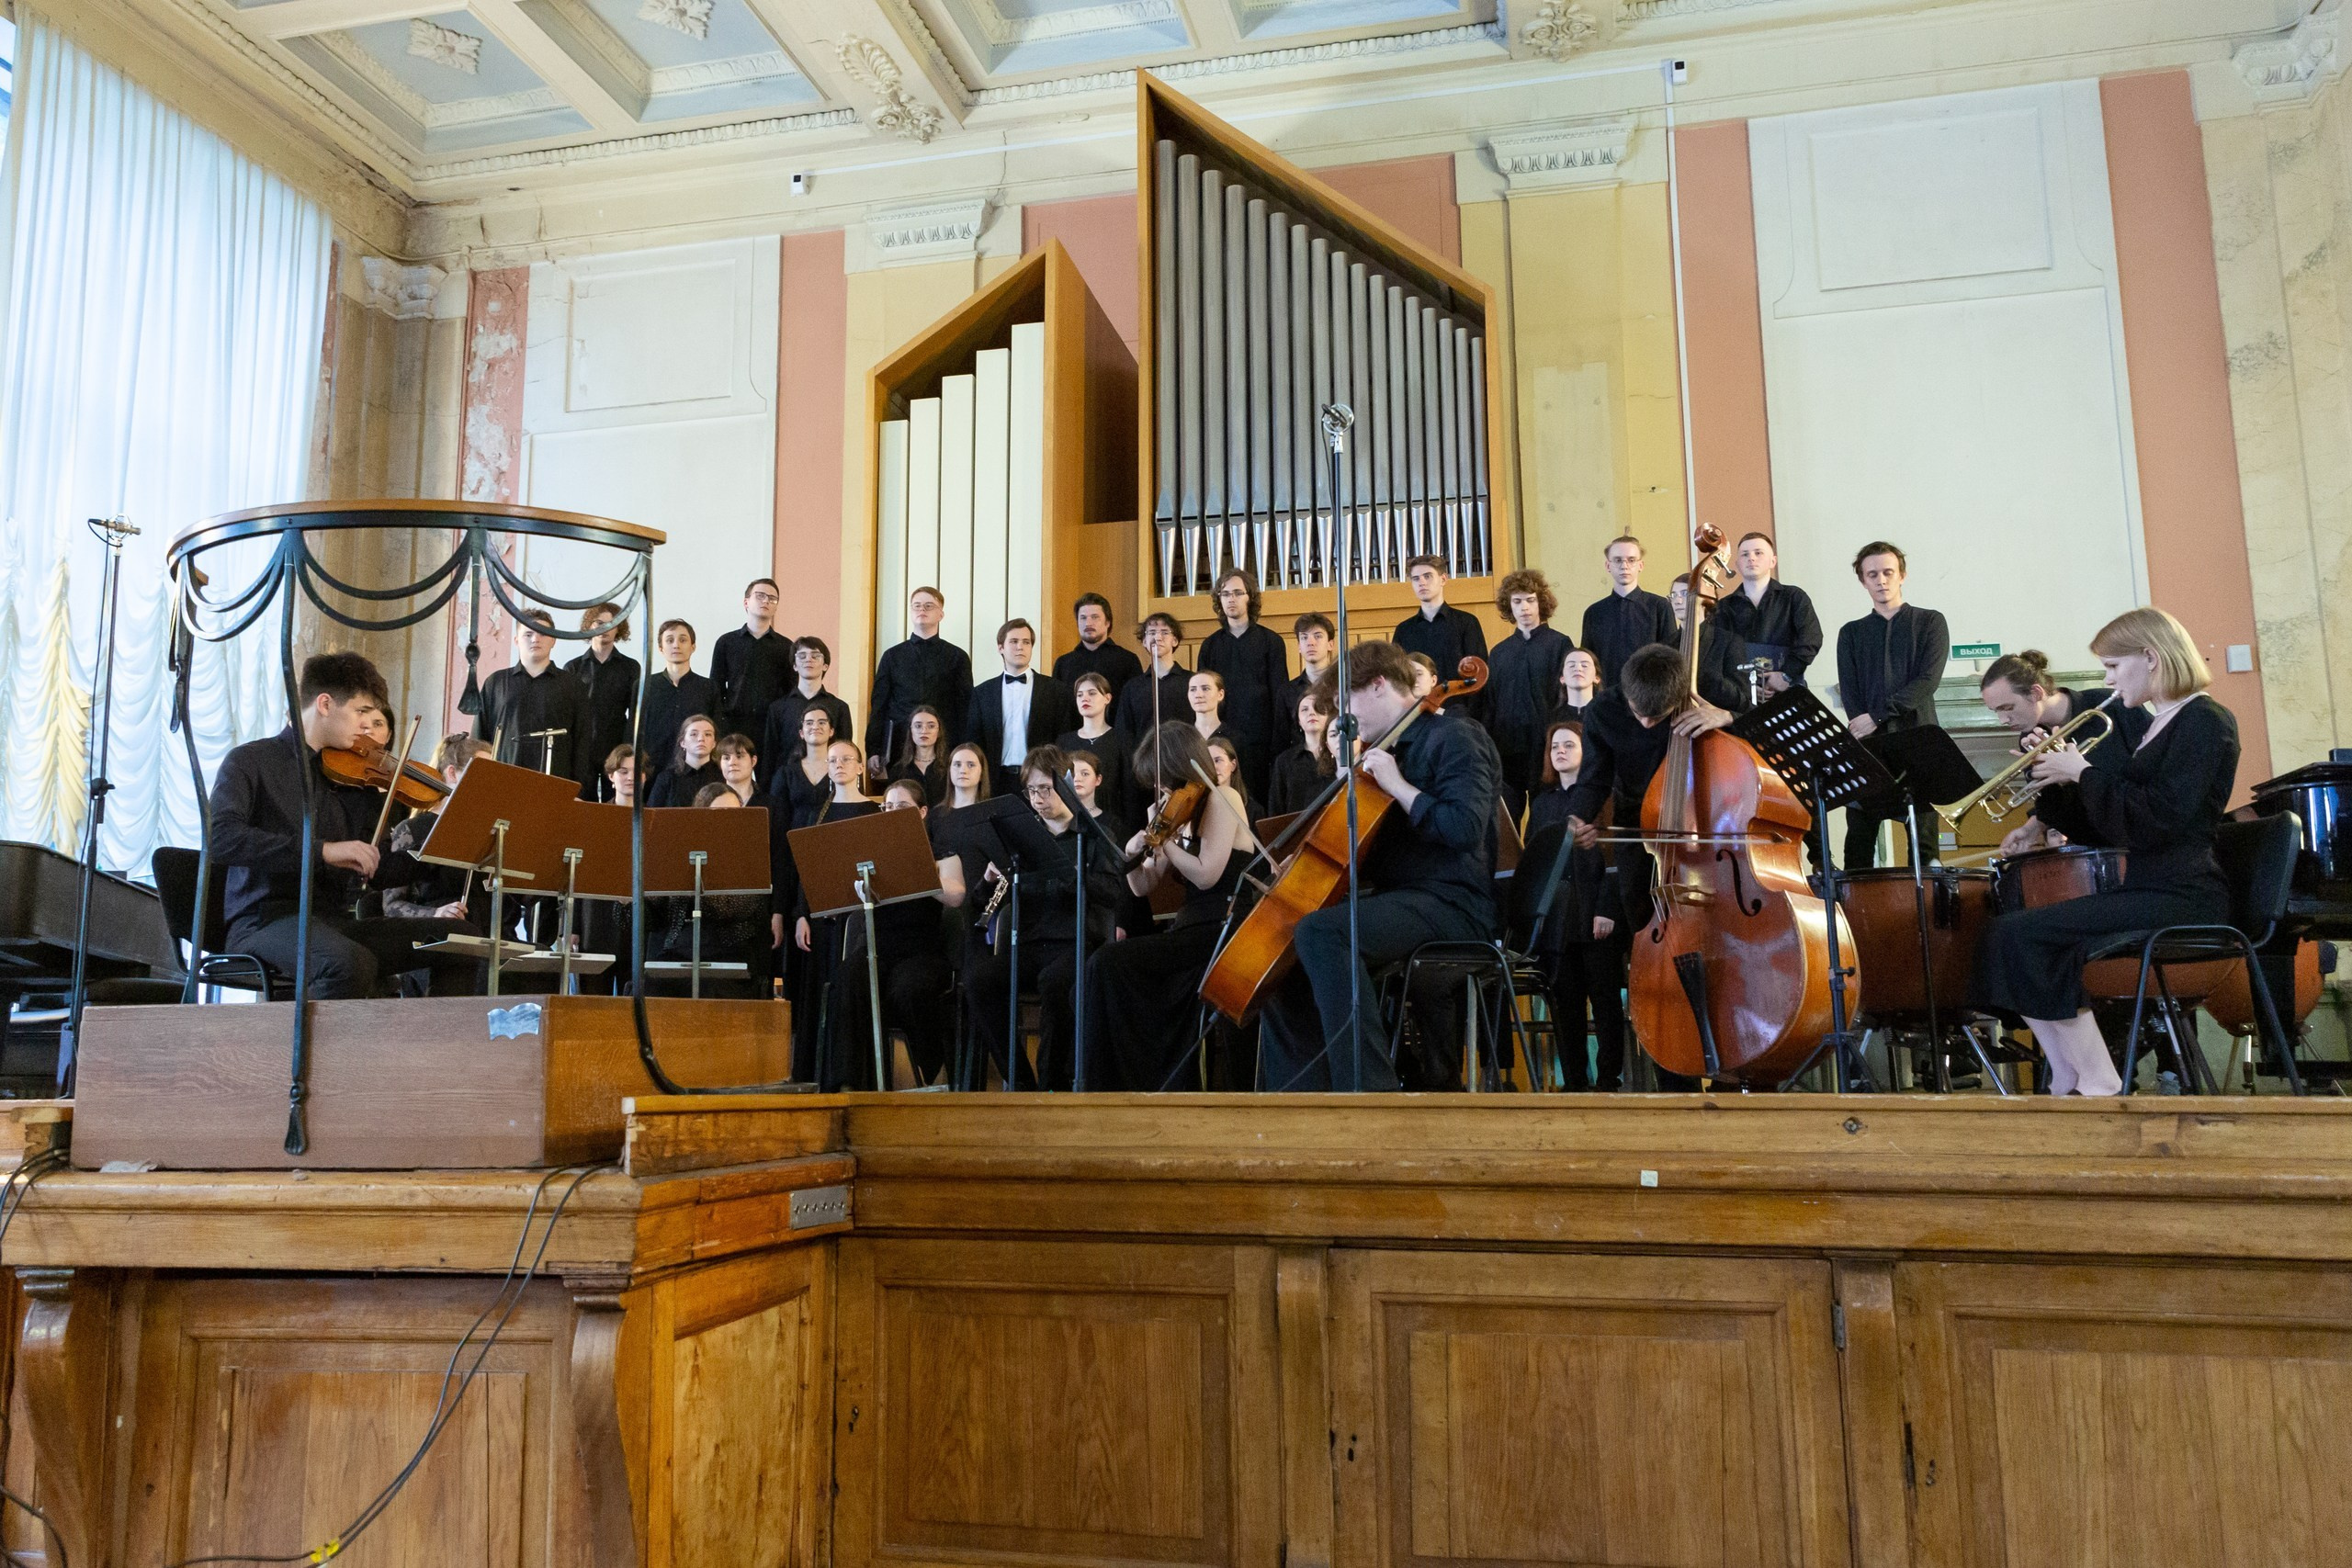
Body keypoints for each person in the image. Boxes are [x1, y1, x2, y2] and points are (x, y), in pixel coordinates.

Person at [1972, 609, 2238, 1096]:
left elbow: (2162, 819)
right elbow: (2112, 826)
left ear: (2151, 658)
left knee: (2026, 937)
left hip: (2183, 893)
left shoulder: (2205, 720)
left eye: (2113, 667)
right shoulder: (2162, 724)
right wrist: (2056, 784)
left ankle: (2099, 1078)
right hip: (2148, 883)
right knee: (2007, 933)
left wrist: (2085, 773)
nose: (2108, 680)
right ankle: (2068, 1072)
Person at [1253, 642, 1503, 1092]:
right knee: (1286, 943)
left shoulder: (1456, 738)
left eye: (1346, 703)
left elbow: (1464, 828)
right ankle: (1302, 1100)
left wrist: (1399, 786)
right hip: (1401, 900)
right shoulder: (1381, 753)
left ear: (1379, 685)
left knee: (1324, 933)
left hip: (1453, 902)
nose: (1345, 718)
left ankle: (1369, 1091)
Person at [211, 652, 478, 998]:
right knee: (349, 963)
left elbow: (378, 871)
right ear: (324, 704)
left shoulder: (351, 783)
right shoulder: (251, 761)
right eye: (360, 712)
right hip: (263, 920)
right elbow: (221, 838)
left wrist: (444, 840)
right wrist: (322, 850)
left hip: (333, 923)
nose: (365, 727)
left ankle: (434, 1050)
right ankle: (307, 1053)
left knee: (460, 940)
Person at [1561, 643, 1737, 1088]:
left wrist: (1728, 717)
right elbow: (1595, 776)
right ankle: (1671, 1069)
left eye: (1656, 719)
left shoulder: (1701, 694)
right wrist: (1580, 817)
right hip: (1636, 829)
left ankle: (1733, 1057)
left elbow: (1761, 723)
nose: (1644, 723)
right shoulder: (1603, 712)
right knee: (1653, 946)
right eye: (1638, 712)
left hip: (1702, 831)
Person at [1086, 725, 1258, 1091]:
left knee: (1109, 963)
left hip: (1224, 928)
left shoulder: (1223, 797)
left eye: (1163, 780)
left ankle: (1120, 1083)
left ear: (1183, 766)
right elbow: (1144, 885)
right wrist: (1132, 856)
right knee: (1108, 962)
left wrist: (1164, 842)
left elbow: (1207, 875)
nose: (1161, 790)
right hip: (1189, 929)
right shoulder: (1177, 810)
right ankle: (1124, 1082)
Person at [965, 747, 1125, 1090]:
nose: (1037, 798)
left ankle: (1053, 1083)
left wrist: (1071, 876)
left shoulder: (1093, 836)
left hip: (1076, 945)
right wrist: (988, 882)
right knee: (980, 980)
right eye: (1031, 790)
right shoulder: (1019, 839)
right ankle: (1020, 1081)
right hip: (1029, 945)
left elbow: (1112, 894)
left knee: (1055, 982)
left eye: (1045, 789)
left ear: (1065, 786)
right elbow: (983, 902)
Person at [830, 778, 968, 1087]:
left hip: (922, 951)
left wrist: (918, 869)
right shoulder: (871, 853)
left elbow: (956, 895)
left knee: (908, 989)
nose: (892, 811)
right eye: (887, 806)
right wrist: (862, 892)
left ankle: (933, 1075)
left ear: (921, 812)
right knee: (850, 976)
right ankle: (851, 1082)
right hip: (879, 948)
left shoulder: (941, 853)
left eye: (901, 806)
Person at [1836, 540, 1951, 869]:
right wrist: (1864, 722)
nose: (1881, 580)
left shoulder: (1930, 622)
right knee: (1857, 846)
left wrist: (1876, 716)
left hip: (1919, 740)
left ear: (1902, 575)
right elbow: (1850, 691)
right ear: (1863, 581)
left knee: (1926, 851)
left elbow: (1928, 682)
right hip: (1869, 747)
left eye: (1888, 572)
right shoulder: (1851, 633)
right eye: (1872, 574)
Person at [1524, 720, 1626, 1090]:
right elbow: (1534, 862)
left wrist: (1608, 909)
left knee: (1605, 1003)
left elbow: (1617, 859)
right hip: (1558, 921)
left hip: (1597, 913)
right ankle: (1575, 1082)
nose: (1561, 751)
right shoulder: (1541, 804)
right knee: (1565, 1007)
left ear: (1587, 753)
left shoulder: (1606, 798)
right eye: (1555, 747)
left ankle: (1609, 1080)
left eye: (1569, 745)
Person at [789, 739, 880, 1078]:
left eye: (847, 759)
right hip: (821, 919)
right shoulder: (818, 814)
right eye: (833, 760)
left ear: (859, 767)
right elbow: (806, 870)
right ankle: (816, 1076)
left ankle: (846, 1075)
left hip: (855, 920)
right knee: (819, 995)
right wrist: (801, 914)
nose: (839, 764)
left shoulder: (872, 812)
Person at [474, 610, 594, 794]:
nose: (535, 639)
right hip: (503, 783)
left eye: (543, 634)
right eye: (528, 634)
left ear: (553, 640)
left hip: (554, 785)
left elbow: (582, 742)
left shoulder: (573, 685)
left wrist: (577, 790)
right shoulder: (496, 683)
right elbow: (479, 737)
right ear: (516, 641)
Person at [1486, 570, 1574, 812]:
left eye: (1530, 600)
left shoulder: (1559, 643)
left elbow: (1564, 696)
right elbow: (1491, 703)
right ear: (1509, 606)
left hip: (1543, 744)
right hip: (1507, 746)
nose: (1524, 608)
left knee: (1543, 814)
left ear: (1540, 602)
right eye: (1517, 601)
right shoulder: (1499, 652)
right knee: (1507, 821)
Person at [1198, 569, 1289, 804]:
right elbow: (1204, 699)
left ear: (1250, 598)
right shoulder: (1209, 646)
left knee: (1256, 804)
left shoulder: (1272, 642)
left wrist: (1276, 746)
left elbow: (1280, 697)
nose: (1231, 598)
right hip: (1220, 744)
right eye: (1226, 593)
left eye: (1238, 593)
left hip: (1261, 743)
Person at [382, 734, 487, 930]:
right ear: (453, 774)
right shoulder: (411, 829)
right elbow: (392, 906)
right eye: (484, 774)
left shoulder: (490, 830)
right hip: (440, 932)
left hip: (489, 934)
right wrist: (436, 913)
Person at [867, 586, 972, 777]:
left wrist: (964, 749)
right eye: (916, 606)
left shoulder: (958, 657)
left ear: (941, 614)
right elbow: (879, 705)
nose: (922, 610)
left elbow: (965, 708)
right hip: (900, 744)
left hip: (945, 746)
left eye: (928, 606)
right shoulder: (892, 656)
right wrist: (874, 748)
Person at [966, 618, 1078, 796]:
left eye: (1026, 642)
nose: (1020, 647)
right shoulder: (982, 693)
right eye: (1014, 641)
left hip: (1041, 778)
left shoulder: (1055, 690)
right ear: (1000, 647)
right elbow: (974, 741)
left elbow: (1063, 737)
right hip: (995, 780)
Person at [1712, 534, 1823, 695]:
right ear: (1737, 564)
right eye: (1745, 554)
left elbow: (1811, 640)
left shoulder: (1794, 597)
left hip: (1788, 690)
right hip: (1741, 696)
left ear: (1773, 561)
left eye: (1758, 553)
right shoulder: (1723, 607)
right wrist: (1742, 687)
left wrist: (1786, 675)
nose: (1751, 558)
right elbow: (1718, 653)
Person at [1393, 555, 1488, 721]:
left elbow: (1479, 677)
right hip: (1415, 718)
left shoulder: (1467, 623)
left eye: (1427, 576)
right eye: (1416, 579)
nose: (1421, 582)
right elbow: (1397, 680)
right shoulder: (1404, 630)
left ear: (1443, 579)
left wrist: (1469, 719)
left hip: (1458, 716)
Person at [1579, 536, 1679, 689]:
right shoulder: (1594, 612)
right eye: (1618, 560)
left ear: (1641, 565)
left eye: (1631, 560)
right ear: (1608, 566)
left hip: (1649, 696)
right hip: (1606, 697)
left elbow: (1671, 657)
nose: (1624, 566)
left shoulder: (1660, 606)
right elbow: (1588, 661)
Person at [759, 636, 854, 795]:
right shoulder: (778, 708)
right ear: (795, 666)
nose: (808, 660)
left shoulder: (839, 707)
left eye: (815, 656)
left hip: (828, 785)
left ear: (825, 665)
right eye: (802, 656)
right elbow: (770, 755)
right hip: (787, 787)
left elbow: (845, 751)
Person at [564, 604, 639, 801]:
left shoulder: (631, 667)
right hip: (582, 748)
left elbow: (636, 713)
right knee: (582, 805)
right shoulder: (573, 667)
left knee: (616, 803)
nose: (605, 628)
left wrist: (629, 748)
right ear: (589, 625)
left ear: (619, 629)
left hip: (617, 747)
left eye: (611, 623)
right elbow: (568, 714)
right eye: (599, 622)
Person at [710, 578, 793, 741]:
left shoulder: (786, 646)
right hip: (733, 725)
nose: (766, 601)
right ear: (746, 602)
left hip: (771, 727)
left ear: (776, 607)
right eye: (760, 595)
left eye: (772, 598)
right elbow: (716, 687)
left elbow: (790, 690)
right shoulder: (726, 642)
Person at [639, 619, 715, 780]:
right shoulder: (644, 686)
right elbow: (633, 729)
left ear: (693, 647)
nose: (676, 645)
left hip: (696, 770)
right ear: (660, 648)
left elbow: (716, 731)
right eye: (669, 640)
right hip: (651, 770)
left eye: (683, 640)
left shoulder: (708, 687)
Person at [1055, 672, 1131, 823]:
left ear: (1107, 698)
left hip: (1113, 818)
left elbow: (1129, 791)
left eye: (1092, 693)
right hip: (1072, 818)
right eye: (1079, 695)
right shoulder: (1064, 741)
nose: (1085, 698)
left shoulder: (1122, 739)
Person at [1115, 612, 1192, 750]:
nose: (1157, 637)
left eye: (1164, 632)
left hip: (1183, 759)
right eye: (1151, 632)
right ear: (1144, 641)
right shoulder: (1132, 688)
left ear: (1174, 640)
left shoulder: (1191, 682)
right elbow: (1125, 734)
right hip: (1145, 762)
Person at [1052, 592, 1144, 695]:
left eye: (1095, 617)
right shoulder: (1063, 664)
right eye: (1083, 618)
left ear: (1107, 622)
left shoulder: (1128, 660)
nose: (1088, 623)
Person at [1268, 687, 1334, 818]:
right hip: (1296, 834)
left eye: (1318, 707)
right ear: (1298, 721)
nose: (1312, 713)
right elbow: (1276, 809)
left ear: (1329, 716)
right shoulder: (1284, 761)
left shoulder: (1340, 755)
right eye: (1304, 709)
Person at [1278, 612, 1337, 751]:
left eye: (1318, 636)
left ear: (1330, 644)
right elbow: (1280, 740)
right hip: (1300, 764)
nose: (1310, 642)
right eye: (1304, 637)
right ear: (1299, 646)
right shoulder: (1287, 691)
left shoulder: (1344, 686)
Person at [646, 714, 719, 807]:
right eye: (694, 734)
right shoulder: (667, 778)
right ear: (683, 742)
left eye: (708, 734)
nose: (701, 739)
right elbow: (652, 815)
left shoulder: (723, 776)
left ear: (714, 744)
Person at [886, 705, 949, 805]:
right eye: (918, 726)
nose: (924, 731)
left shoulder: (950, 767)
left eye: (931, 726)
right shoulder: (898, 770)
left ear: (939, 731)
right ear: (911, 731)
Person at [1552, 647, 1601, 728]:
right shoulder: (1551, 719)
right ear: (1562, 679)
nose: (1578, 669)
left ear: (1597, 678)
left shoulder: (1608, 715)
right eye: (1571, 666)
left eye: (1584, 665)